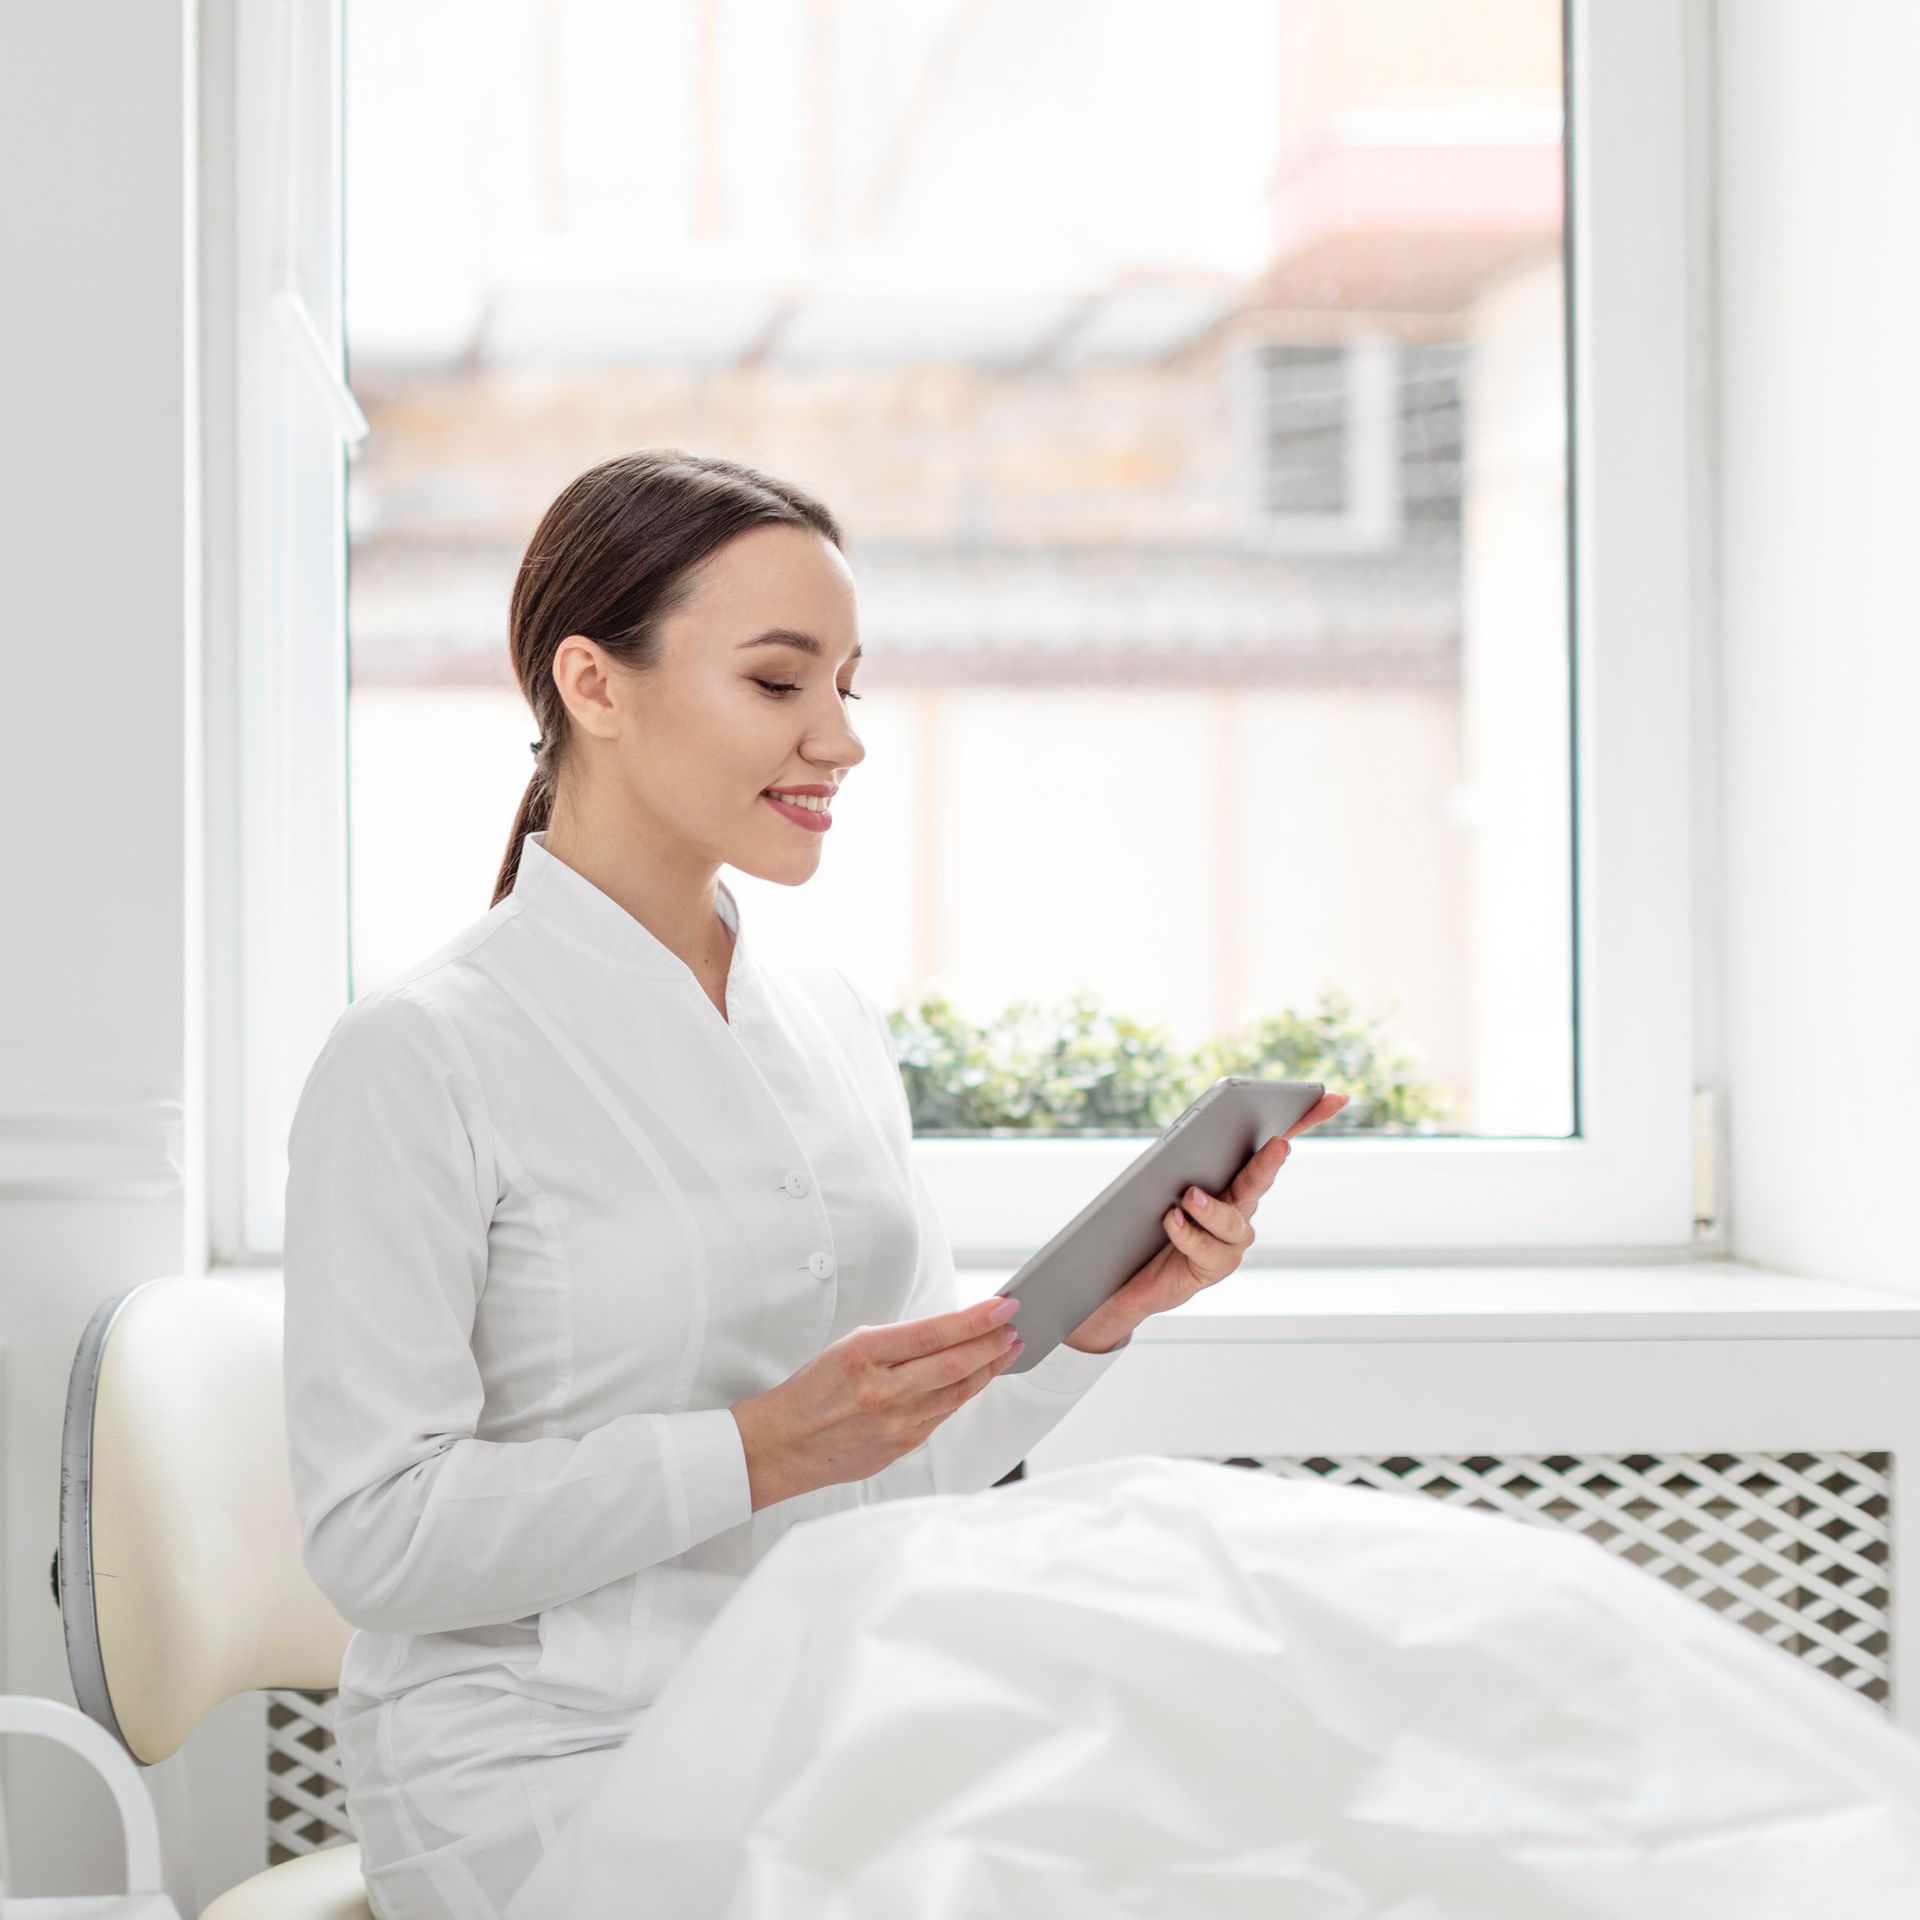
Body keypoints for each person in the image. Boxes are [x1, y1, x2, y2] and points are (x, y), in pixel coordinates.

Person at [281, 448, 1342, 1920]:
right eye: (781, 685)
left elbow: (895, 1470)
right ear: (592, 681)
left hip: (822, 1703)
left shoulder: (828, 1020)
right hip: (548, 1757)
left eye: (850, 685)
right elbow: (377, 1541)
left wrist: (1098, 1321)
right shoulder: (419, 1056)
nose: (840, 740)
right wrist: (761, 1448)